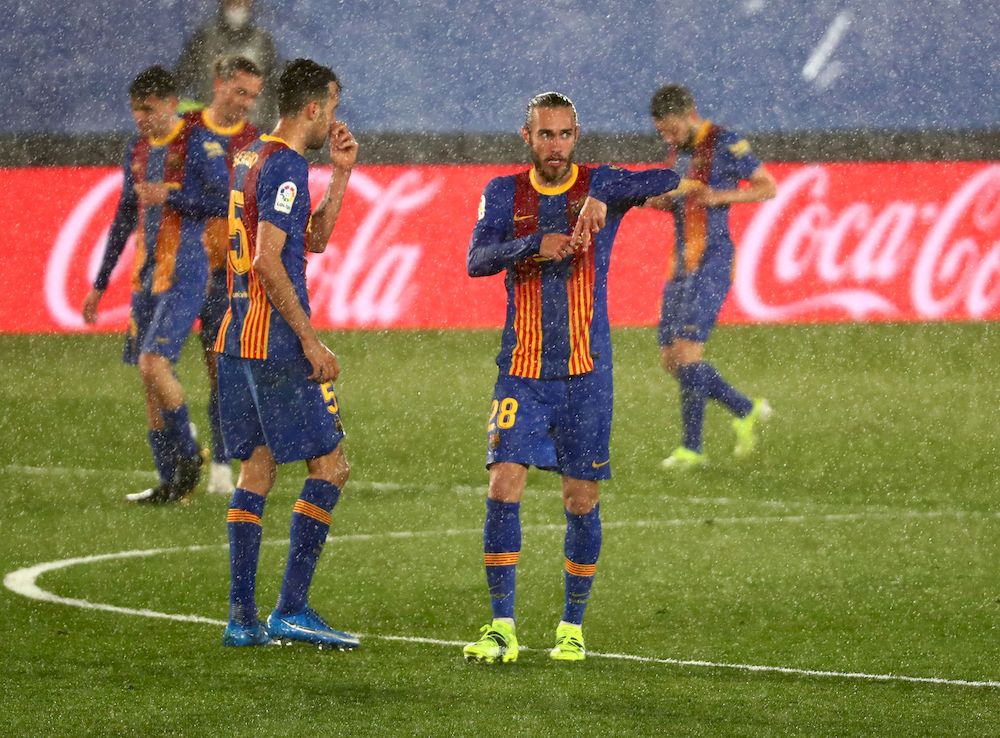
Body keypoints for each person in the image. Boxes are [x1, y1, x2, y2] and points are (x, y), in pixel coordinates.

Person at [463, 92, 680, 664]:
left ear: (575, 134)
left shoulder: (600, 181)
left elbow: (669, 177)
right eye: (544, 134)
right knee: (503, 482)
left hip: (587, 374)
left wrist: (603, 196)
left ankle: (571, 626)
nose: (554, 145)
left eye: (563, 135)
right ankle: (502, 625)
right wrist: (535, 244)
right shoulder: (504, 193)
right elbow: (476, 260)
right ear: (526, 137)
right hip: (523, 369)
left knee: (579, 499)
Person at [215, 58, 360, 649]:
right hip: (275, 342)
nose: (335, 117)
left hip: (235, 336)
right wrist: (308, 339)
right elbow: (269, 259)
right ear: (313, 109)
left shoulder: (251, 155)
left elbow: (314, 240)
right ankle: (292, 609)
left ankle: (242, 620)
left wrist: (342, 175)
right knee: (331, 467)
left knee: (257, 470)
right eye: (332, 105)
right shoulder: (287, 166)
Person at [82, 66, 230, 504]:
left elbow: (223, 202)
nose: (140, 117)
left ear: (170, 103)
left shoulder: (199, 143)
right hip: (144, 275)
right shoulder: (137, 149)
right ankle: (172, 485)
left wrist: (172, 197)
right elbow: (125, 214)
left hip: (185, 268)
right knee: (148, 383)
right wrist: (100, 282)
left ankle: (188, 455)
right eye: (134, 110)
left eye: (148, 108)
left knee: (153, 363)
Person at [644, 84, 777, 471]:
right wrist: (660, 202)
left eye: (672, 130)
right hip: (681, 263)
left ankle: (697, 444)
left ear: (690, 112)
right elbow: (684, 201)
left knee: (687, 355)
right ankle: (739, 413)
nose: (668, 138)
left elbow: (767, 188)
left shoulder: (725, 142)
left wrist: (722, 197)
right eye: (663, 133)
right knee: (671, 359)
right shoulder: (680, 153)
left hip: (711, 262)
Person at [188, 55, 264, 496]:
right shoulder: (188, 132)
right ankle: (182, 447)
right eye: (240, 92)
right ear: (218, 84)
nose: (247, 104)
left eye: (253, 96)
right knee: (155, 366)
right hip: (180, 267)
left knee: (222, 368)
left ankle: (219, 461)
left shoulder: (254, 140)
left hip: (227, 273)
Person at [175, 0, 279, 127]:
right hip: (208, 131)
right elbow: (180, 81)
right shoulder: (205, 38)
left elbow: (273, 94)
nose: (239, 2)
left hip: (251, 134)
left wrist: (266, 131)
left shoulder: (263, 42)